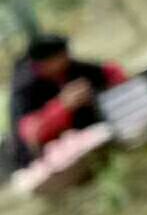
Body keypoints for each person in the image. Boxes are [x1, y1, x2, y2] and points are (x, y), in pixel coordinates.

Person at [5, 33, 127, 172]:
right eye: (61, 57)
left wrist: (98, 93)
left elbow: (110, 72)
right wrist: (63, 107)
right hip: (48, 158)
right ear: (45, 63)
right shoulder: (25, 89)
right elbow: (32, 133)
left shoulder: (71, 68)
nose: (67, 58)